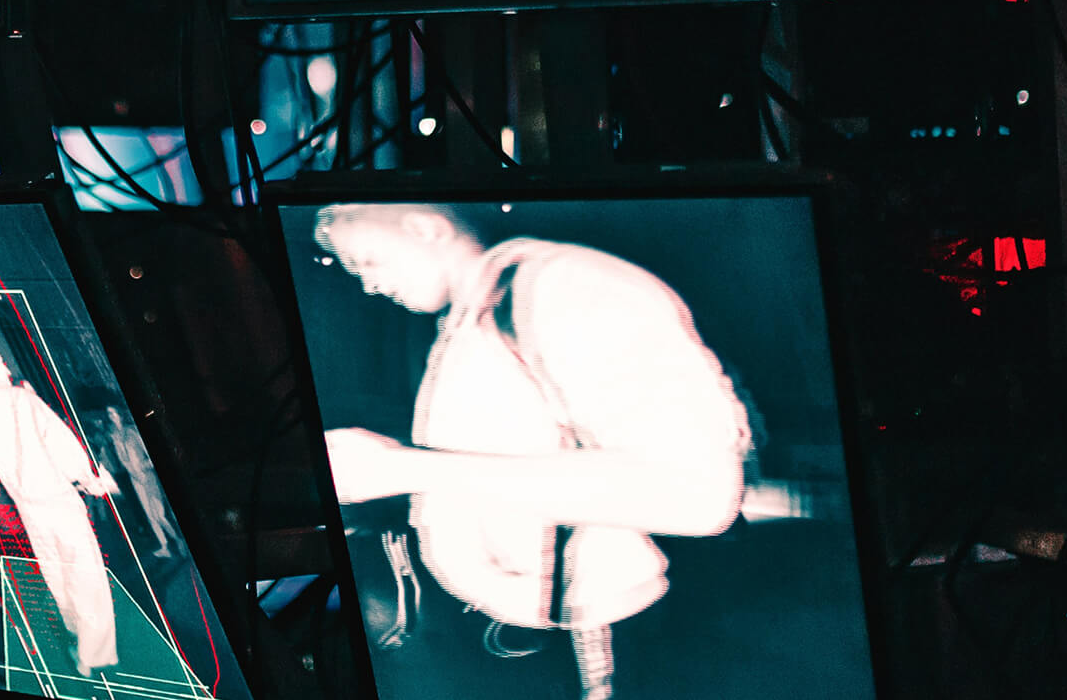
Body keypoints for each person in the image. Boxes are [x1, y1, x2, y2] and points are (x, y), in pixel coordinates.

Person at [313, 201, 753, 700]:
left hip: (602, 636)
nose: (368, 286)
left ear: (425, 227)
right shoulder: (474, 316)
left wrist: (404, 468)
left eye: (367, 262)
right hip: (545, 633)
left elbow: (696, 494)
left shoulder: (565, 286)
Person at [0, 336, 123, 677]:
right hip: (57, 498)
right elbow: (59, 441)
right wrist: (88, 478)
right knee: (84, 572)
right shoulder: (21, 399)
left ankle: (77, 637)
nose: (6, 367)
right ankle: (93, 654)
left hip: (28, 507)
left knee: (56, 572)